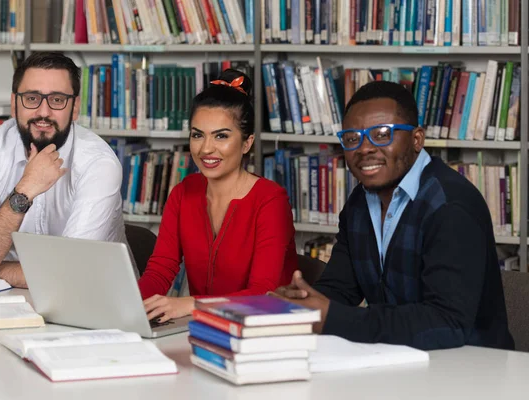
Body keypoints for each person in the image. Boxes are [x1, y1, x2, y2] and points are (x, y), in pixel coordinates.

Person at [273, 81, 514, 351]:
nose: (365, 148)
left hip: (472, 367)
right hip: (397, 356)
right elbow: (341, 289)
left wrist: (332, 317)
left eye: (382, 133)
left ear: (416, 140)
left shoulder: (450, 205)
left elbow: (448, 323)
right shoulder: (359, 204)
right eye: (353, 138)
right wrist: (302, 303)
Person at [0, 52, 132, 288]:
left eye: (57, 100)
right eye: (32, 98)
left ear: (74, 107)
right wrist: (24, 191)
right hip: (4, 299)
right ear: (15, 103)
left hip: (94, 298)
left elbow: (69, 275)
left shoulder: (98, 164)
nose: (43, 112)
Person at [139, 69, 298, 323]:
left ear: (247, 143)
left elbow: (262, 293)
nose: (205, 149)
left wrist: (191, 304)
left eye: (221, 136)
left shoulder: (271, 201)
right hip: (204, 326)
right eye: (197, 135)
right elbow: (160, 270)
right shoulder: (183, 193)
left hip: (264, 330)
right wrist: (128, 305)